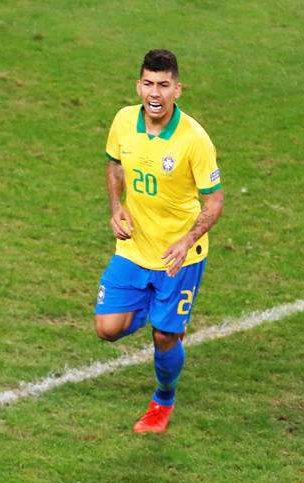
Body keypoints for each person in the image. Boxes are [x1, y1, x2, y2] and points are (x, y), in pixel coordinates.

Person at [94, 49, 224, 433]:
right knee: (107, 329)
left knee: (165, 336)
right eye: (149, 83)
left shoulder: (194, 139)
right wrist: (116, 206)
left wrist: (188, 240)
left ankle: (162, 401)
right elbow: (115, 163)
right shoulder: (123, 121)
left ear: (177, 89)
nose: (155, 93)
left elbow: (214, 200)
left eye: (164, 85)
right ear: (139, 85)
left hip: (178, 257)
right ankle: (162, 314)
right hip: (134, 247)